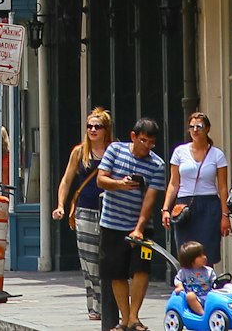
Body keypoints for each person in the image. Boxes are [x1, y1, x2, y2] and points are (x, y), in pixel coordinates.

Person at [96, 117, 166, 331]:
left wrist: (139, 229)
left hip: (141, 227)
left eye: (151, 143)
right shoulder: (115, 151)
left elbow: (150, 200)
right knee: (115, 272)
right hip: (112, 223)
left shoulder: (157, 165)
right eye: (143, 140)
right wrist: (120, 184)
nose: (147, 146)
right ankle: (124, 319)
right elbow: (101, 179)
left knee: (141, 268)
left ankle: (134, 317)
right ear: (133, 136)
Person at [53, 108, 113, 323]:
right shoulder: (80, 153)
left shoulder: (113, 152)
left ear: (106, 129)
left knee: (108, 260)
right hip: (85, 211)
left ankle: (110, 304)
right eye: (89, 126)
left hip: (110, 211)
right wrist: (61, 205)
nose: (93, 130)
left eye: (97, 126)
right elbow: (67, 181)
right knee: (89, 261)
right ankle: (95, 306)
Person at [166, 111, 230, 266]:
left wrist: (225, 215)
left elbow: (222, 187)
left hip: (209, 205)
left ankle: (205, 285)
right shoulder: (180, 152)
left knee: (206, 253)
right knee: (185, 251)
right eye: (191, 127)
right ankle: (187, 287)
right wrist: (165, 209)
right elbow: (173, 183)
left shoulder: (217, 154)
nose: (195, 130)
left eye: (199, 126)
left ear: (207, 129)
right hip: (184, 206)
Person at [174, 241, 215, 318]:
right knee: (190, 296)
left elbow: (214, 282)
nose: (204, 257)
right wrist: (179, 286)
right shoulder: (184, 271)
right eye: (200, 255)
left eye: (204, 254)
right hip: (195, 297)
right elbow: (178, 279)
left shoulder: (209, 270)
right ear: (190, 259)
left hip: (209, 295)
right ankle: (203, 314)